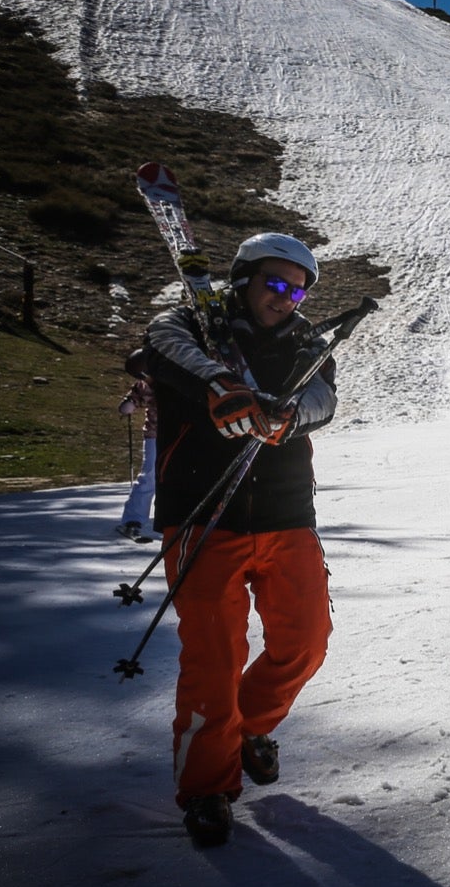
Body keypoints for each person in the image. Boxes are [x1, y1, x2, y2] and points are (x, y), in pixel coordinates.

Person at [144, 232, 338, 847]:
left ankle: (248, 726)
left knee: (305, 642)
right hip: (203, 517)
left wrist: (289, 414)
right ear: (244, 277)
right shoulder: (189, 326)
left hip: (286, 515)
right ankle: (206, 786)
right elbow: (159, 347)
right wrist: (218, 385)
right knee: (212, 660)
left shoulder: (308, 341)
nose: (286, 297)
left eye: (298, 288)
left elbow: (323, 397)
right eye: (275, 282)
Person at [115, 348, 157, 544]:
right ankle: (133, 519)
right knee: (149, 475)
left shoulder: (176, 380)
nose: (144, 378)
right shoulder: (144, 385)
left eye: (145, 374)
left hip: (181, 434)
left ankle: (180, 518)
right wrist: (128, 404)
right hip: (155, 435)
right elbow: (136, 395)